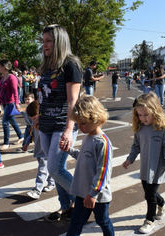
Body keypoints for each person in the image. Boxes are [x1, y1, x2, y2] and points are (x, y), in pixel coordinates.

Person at [38, 24, 82, 222]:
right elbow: (44, 96)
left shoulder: (70, 65)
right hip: (45, 124)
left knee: (56, 169)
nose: (44, 45)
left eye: (48, 41)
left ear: (59, 42)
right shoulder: (47, 65)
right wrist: (39, 115)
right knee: (53, 170)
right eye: (44, 40)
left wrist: (69, 130)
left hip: (62, 125)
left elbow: (73, 101)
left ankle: (82, 201)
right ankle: (67, 207)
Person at [122, 92, 165, 234]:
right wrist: (130, 159)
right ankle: (163, 204)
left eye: (146, 114)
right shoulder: (140, 129)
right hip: (145, 167)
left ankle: (149, 220)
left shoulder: (163, 129)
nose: (142, 118)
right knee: (149, 193)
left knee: (150, 195)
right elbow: (136, 146)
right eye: (139, 115)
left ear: (155, 111)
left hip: (158, 168)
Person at [60, 95, 114, 236]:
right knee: (76, 223)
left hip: (97, 195)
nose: (80, 127)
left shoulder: (102, 143)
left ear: (95, 118)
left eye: (83, 123)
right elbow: (83, 157)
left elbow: (103, 171)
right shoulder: (88, 137)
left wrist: (93, 193)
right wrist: (70, 150)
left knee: (103, 221)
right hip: (82, 191)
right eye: (78, 123)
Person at [25, 101, 55, 199]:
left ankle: (37, 190)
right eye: (31, 119)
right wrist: (26, 143)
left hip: (45, 151)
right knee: (48, 168)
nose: (33, 121)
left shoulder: (45, 124)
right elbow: (32, 134)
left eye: (34, 118)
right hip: (38, 150)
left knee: (42, 170)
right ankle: (52, 182)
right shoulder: (35, 124)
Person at [0, 60, 24, 150]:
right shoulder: (3, 77)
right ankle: (21, 136)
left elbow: (15, 92)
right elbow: (1, 92)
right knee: (12, 121)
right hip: (4, 103)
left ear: (4, 67)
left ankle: (6, 143)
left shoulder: (12, 77)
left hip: (10, 103)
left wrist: (17, 103)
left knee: (5, 122)